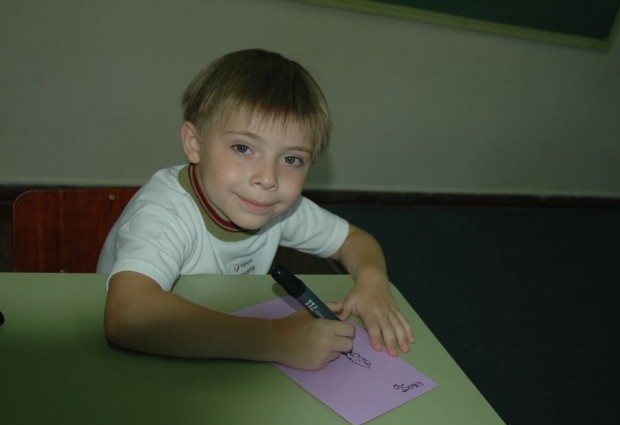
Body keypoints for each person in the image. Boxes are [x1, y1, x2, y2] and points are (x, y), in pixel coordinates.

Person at [97, 49, 414, 370]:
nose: (268, 178)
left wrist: (373, 281)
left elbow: (355, 240)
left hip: (219, 345)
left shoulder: (277, 208)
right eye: (243, 148)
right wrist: (275, 339)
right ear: (195, 143)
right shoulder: (164, 212)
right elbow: (128, 316)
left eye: (291, 159)